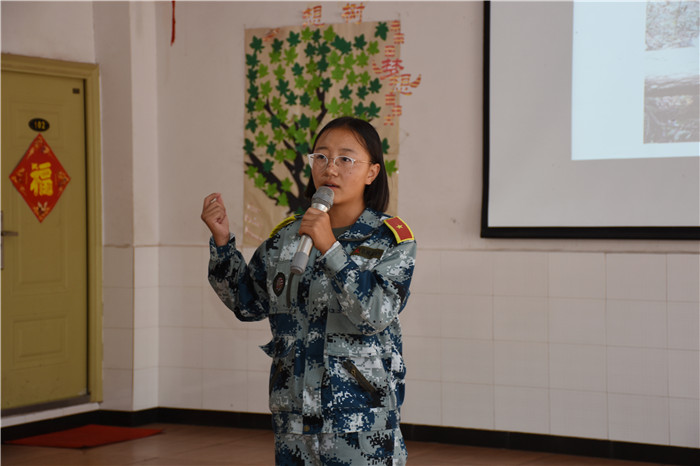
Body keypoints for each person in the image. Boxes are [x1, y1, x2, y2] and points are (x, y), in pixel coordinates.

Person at [201, 116, 416, 465]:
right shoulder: (287, 237)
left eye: (345, 158)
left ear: (372, 172)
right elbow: (247, 303)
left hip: (360, 422)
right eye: (321, 157)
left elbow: (375, 314)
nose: (330, 168)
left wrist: (331, 249)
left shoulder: (390, 240)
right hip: (294, 417)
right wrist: (223, 243)